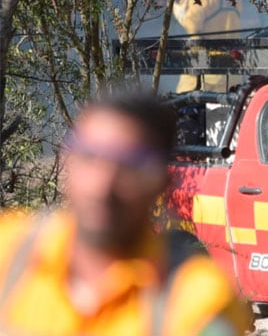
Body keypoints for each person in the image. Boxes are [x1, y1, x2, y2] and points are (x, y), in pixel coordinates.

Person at [0, 88, 253, 334]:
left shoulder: (199, 302)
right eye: (90, 157)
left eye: (130, 166)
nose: (103, 185)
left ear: (162, 183)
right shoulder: (10, 248)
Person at [173, 0, 242, 93]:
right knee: (223, 112)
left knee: (185, 110)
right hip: (230, 74)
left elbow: (191, 28)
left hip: (201, 76)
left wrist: (178, 10)